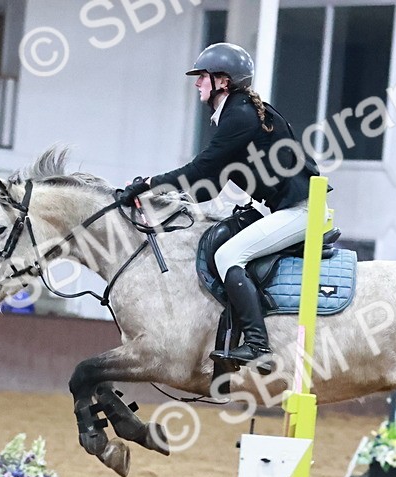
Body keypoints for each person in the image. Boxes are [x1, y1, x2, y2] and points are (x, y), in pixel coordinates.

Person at [119, 42, 322, 373]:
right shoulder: (238, 112)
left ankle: (258, 345)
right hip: (284, 209)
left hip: (300, 212)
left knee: (228, 256)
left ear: (223, 81)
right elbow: (209, 184)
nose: (197, 83)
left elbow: (200, 169)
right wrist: (161, 199)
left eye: (202, 76)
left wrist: (148, 184)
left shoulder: (239, 116)